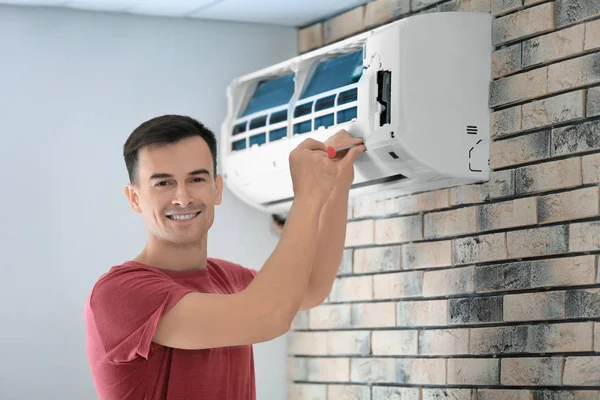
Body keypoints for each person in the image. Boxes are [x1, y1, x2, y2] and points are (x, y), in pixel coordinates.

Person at [83, 114, 365, 400]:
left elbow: (311, 287)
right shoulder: (119, 293)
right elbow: (268, 316)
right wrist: (307, 196)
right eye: (163, 183)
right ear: (134, 198)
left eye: (196, 178)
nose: (182, 198)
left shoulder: (227, 278)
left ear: (217, 189)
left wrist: (338, 180)